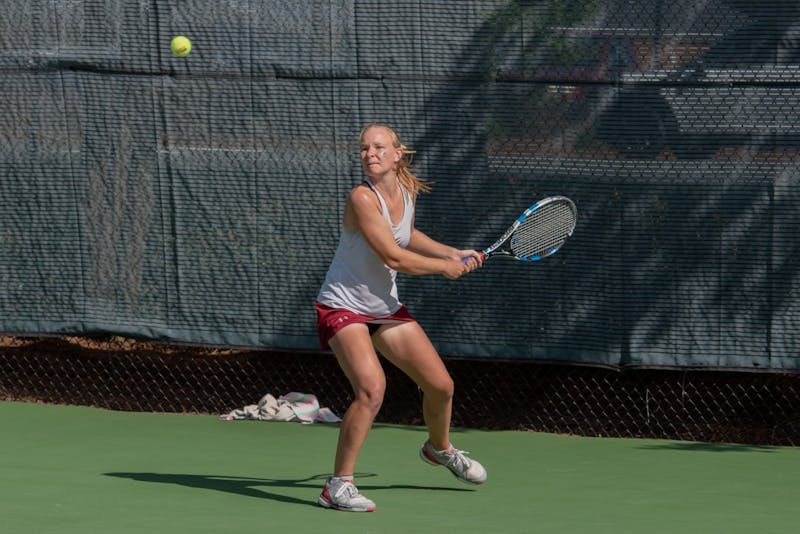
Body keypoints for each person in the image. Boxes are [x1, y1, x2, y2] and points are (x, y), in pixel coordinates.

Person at [315, 123, 487, 512]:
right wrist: (442, 269)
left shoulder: (406, 191)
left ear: (397, 155)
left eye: (379, 147)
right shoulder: (362, 198)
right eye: (364, 149)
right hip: (342, 305)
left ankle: (439, 449)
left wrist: (451, 253)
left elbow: (405, 236)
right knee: (372, 389)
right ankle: (337, 486)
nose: (370, 153)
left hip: (382, 306)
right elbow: (393, 257)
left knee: (441, 385)